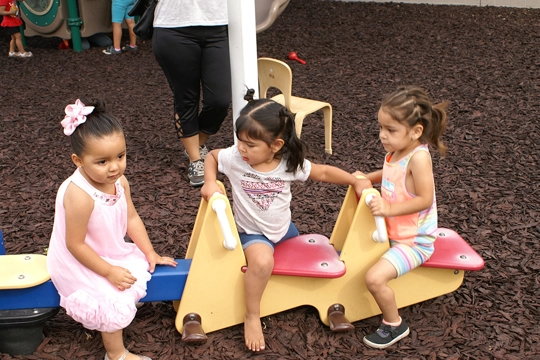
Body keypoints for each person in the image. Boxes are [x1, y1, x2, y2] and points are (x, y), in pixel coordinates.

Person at [201, 92, 372, 352]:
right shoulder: (235, 158)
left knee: (306, 259)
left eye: (251, 144)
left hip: (284, 230)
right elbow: (212, 156)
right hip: (252, 233)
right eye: (240, 141)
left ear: (276, 145)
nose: (242, 148)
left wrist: (354, 180)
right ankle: (252, 315)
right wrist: (211, 181)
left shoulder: (288, 164)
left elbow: (322, 171)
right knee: (262, 262)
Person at [46, 98, 178, 360]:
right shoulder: (79, 196)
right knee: (109, 295)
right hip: (77, 259)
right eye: (102, 161)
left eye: (120, 156)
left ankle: (124, 294)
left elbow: (131, 217)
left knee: (135, 267)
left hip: (106, 249)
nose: (115, 167)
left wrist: (150, 252)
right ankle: (116, 354)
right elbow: (75, 245)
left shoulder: (120, 182)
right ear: (78, 160)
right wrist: (108, 272)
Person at [359, 86, 448, 349]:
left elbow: (425, 199)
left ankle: (394, 324)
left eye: (390, 130)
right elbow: (389, 173)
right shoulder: (397, 151)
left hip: (414, 242)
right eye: (381, 127)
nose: (382, 136)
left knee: (373, 279)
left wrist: (387, 209)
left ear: (416, 131)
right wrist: (366, 177)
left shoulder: (418, 158)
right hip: (395, 233)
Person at [152, 0, 232, 187]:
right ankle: (196, 161)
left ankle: (196, 143)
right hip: (173, 26)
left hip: (217, 24)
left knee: (219, 100)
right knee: (186, 98)